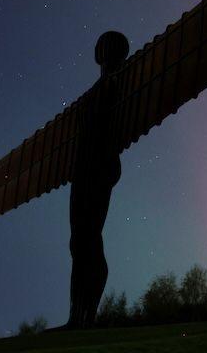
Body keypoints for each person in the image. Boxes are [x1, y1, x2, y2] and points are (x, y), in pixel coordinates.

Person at [66, 30, 129, 328]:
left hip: (100, 167)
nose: (103, 51)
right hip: (82, 168)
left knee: (89, 237)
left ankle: (86, 315)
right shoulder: (90, 93)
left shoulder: (124, 81)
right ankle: (75, 316)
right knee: (78, 241)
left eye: (109, 46)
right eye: (102, 46)